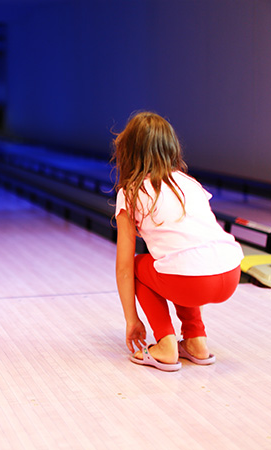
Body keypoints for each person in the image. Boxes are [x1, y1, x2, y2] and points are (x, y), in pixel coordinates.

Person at [112, 111, 243, 372]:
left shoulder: (131, 192)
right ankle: (196, 341)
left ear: (128, 152)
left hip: (191, 282)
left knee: (140, 266)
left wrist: (132, 319)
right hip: (231, 272)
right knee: (179, 259)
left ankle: (165, 344)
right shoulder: (190, 183)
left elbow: (124, 267)